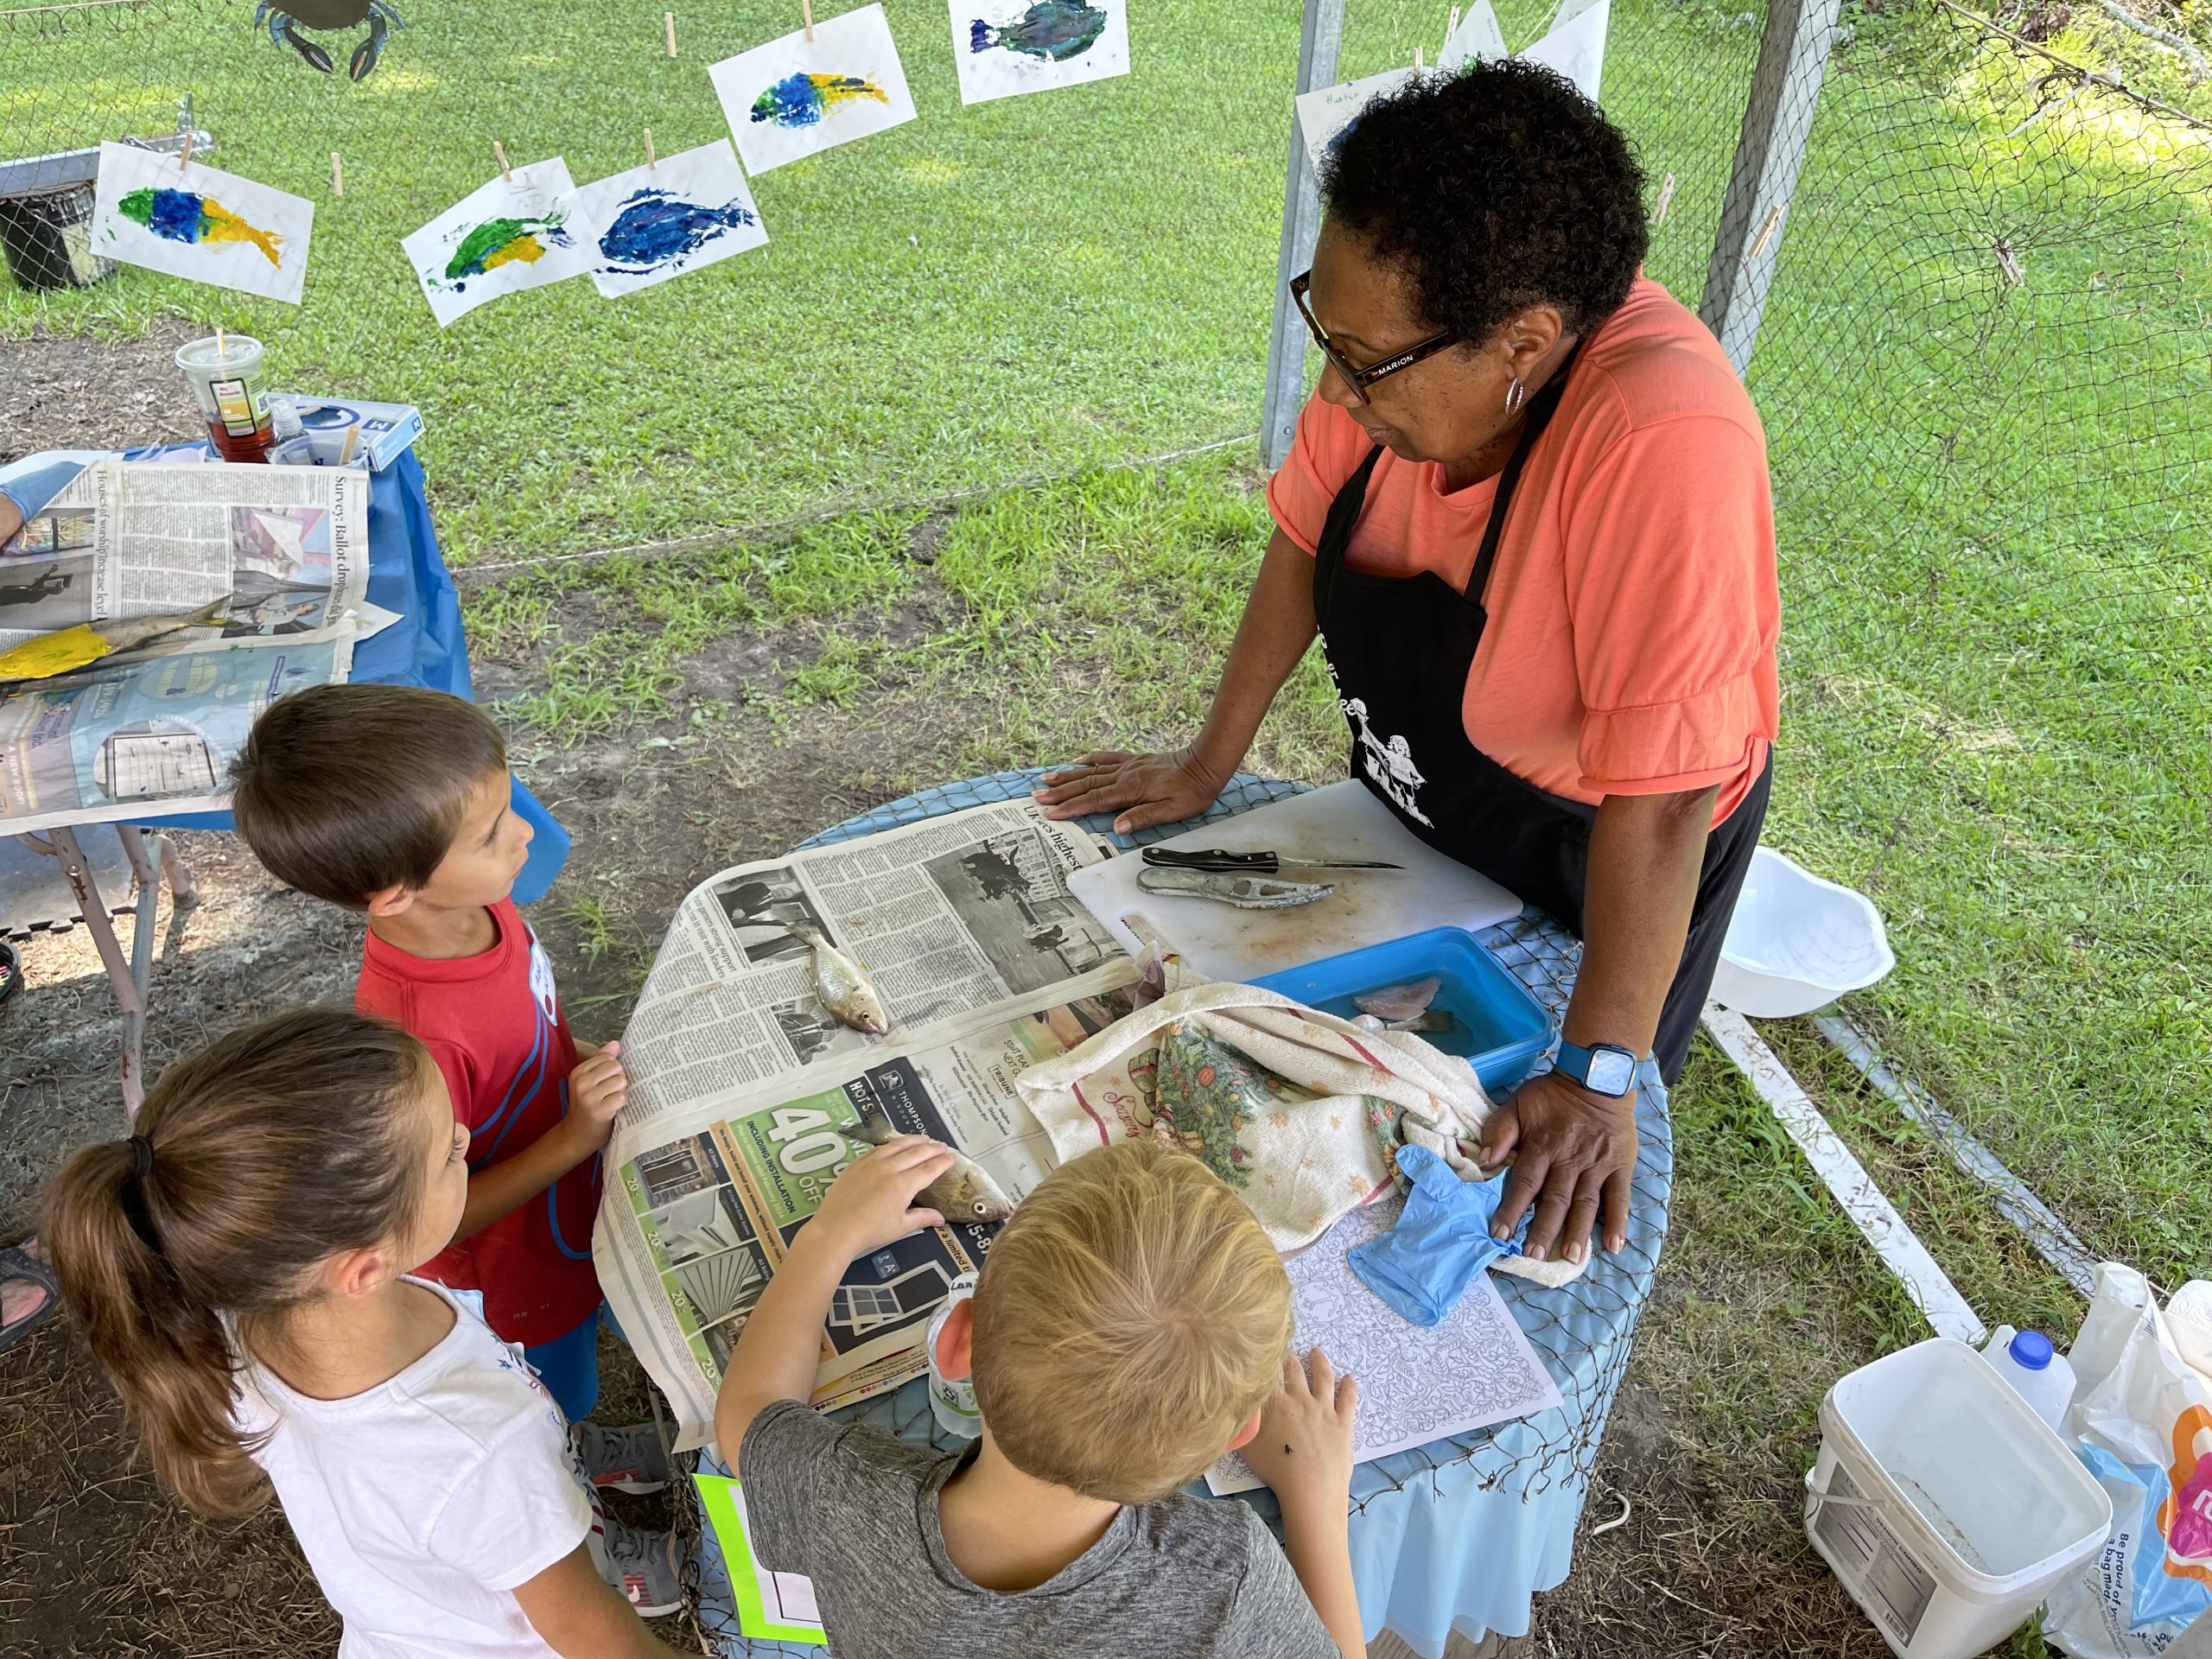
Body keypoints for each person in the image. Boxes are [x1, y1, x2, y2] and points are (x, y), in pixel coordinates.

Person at [1039, 61, 1779, 1272]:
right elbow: (1303, 542)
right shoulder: (1397, 347)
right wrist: (1203, 761)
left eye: (1365, 361)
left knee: (1528, 1169)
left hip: (1610, 842)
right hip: (1433, 806)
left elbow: (1669, 794)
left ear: (1523, 344)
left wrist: (1595, 1078)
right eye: (1323, 335)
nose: (1333, 387)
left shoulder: (1664, 441)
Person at [41, 1008, 690, 1656]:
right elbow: (591, 1634)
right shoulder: (484, 1449)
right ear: (364, 1268)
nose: (465, 1136)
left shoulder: (239, 1318)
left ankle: (574, 1472)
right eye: (448, 1155)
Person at [229, 683, 677, 1594]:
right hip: (503, 1262)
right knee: (540, 1400)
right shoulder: (413, 1036)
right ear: (393, 891)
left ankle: (586, 1445)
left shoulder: (481, 909)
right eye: (489, 833)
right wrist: (574, 1134)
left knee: (574, 1373)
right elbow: (434, 1213)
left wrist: (576, 1063)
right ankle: (587, 1537)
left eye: (508, 805)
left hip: (558, 1211)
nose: (523, 834)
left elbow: (529, 1025)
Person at [715, 1137, 1367, 1659]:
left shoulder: (842, 1495)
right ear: (1236, 1436)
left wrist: (827, 1236)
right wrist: (1316, 1495)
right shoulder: (1228, 1576)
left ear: (958, 1343)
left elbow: (747, 1413)